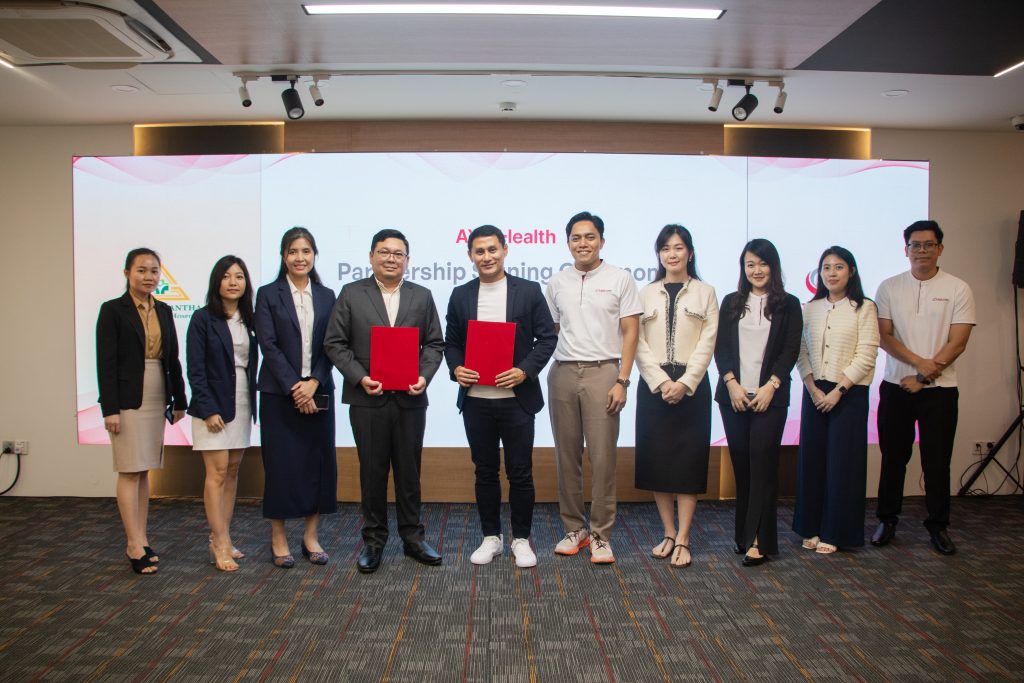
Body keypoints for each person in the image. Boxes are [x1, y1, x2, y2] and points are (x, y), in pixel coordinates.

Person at [324, 229, 445, 574]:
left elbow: (434, 344)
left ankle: (413, 538)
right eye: (384, 252)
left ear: (407, 260)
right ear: (371, 256)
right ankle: (373, 541)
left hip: (410, 400)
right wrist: (360, 377)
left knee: (409, 473)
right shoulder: (352, 293)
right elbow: (335, 343)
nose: (391, 258)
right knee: (372, 473)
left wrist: (424, 376)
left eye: (398, 253)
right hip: (367, 399)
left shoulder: (422, 296)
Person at [444, 225, 557, 568]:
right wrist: (456, 368)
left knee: (520, 472)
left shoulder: (528, 291)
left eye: (492, 249)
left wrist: (524, 371)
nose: (487, 256)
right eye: (479, 251)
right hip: (477, 401)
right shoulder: (460, 295)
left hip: (516, 399)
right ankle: (491, 537)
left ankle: (521, 539)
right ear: (470, 255)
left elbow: (547, 338)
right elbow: (452, 343)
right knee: (485, 471)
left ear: (505, 250)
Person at [871, 220, 975, 555]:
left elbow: (958, 342)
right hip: (896, 387)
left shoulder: (958, 288)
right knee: (893, 458)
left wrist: (924, 378)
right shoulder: (889, 287)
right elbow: (884, 336)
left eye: (929, 245)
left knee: (937, 461)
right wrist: (919, 365)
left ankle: (938, 526)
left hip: (940, 390)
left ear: (940, 248)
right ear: (906, 250)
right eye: (915, 245)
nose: (922, 251)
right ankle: (887, 520)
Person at [545, 211, 642, 564]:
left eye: (589, 237)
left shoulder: (620, 278)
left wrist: (622, 380)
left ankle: (601, 534)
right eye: (576, 237)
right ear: (568, 242)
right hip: (563, 373)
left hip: (604, 373)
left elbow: (631, 332)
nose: (582, 243)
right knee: (566, 455)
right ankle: (575, 528)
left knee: (602, 458)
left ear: (601, 240)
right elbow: (552, 331)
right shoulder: (557, 282)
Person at [96, 247, 187, 575]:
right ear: (127, 273)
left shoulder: (164, 309)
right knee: (129, 469)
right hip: (126, 398)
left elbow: (172, 358)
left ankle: (142, 537)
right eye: (141, 270)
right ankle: (133, 543)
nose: (149, 277)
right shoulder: (112, 310)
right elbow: (105, 362)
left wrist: (179, 400)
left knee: (145, 469)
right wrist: (110, 408)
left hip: (156, 391)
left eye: (154, 271)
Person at [634, 225, 719, 568]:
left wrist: (685, 382)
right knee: (658, 461)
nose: (672, 254)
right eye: (666, 248)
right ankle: (668, 532)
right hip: (654, 386)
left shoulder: (706, 292)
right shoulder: (645, 293)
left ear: (690, 252)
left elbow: (708, 341)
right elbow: (636, 341)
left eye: (679, 247)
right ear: (659, 254)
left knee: (687, 462)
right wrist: (659, 381)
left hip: (692, 387)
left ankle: (684, 536)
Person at [714, 238, 801, 567]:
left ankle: (760, 541)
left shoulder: (789, 304)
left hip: (770, 398)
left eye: (763, 263)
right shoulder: (731, 302)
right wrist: (732, 384)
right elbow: (721, 348)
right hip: (733, 397)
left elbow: (790, 350)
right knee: (743, 468)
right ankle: (743, 534)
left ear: (773, 266)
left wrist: (771, 386)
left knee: (763, 466)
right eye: (750, 264)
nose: (757, 270)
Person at [254, 227, 337, 568]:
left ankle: (310, 537)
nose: (300, 257)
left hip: (319, 392)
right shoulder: (267, 294)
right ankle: (278, 537)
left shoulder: (327, 295)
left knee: (318, 465)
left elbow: (333, 344)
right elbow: (268, 345)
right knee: (280, 466)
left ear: (314, 254)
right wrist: (295, 386)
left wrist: (314, 382)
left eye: (306, 251)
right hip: (279, 394)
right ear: (283, 256)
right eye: (293, 251)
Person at [792, 247, 878, 554]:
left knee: (843, 464)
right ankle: (811, 527)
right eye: (826, 267)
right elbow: (801, 350)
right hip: (815, 392)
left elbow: (867, 354)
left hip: (849, 393)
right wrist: (812, 388)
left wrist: (838, 390)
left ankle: (836, 531)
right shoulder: (811, 308)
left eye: (838, 267)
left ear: (851, 271)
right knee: (812, 461)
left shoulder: (864, 307)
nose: (831, 273)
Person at [186, 255, 258, 572]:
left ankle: (224, 535)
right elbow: (195, 369)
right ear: (217, 281)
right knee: (216, 474)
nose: (233, 282)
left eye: (239, 276)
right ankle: (218, 541)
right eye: (227, 276)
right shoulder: (203, 319)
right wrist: (208, 409)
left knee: (231, 472)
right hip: (213, 406)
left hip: (241, 400)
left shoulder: (250, 319)